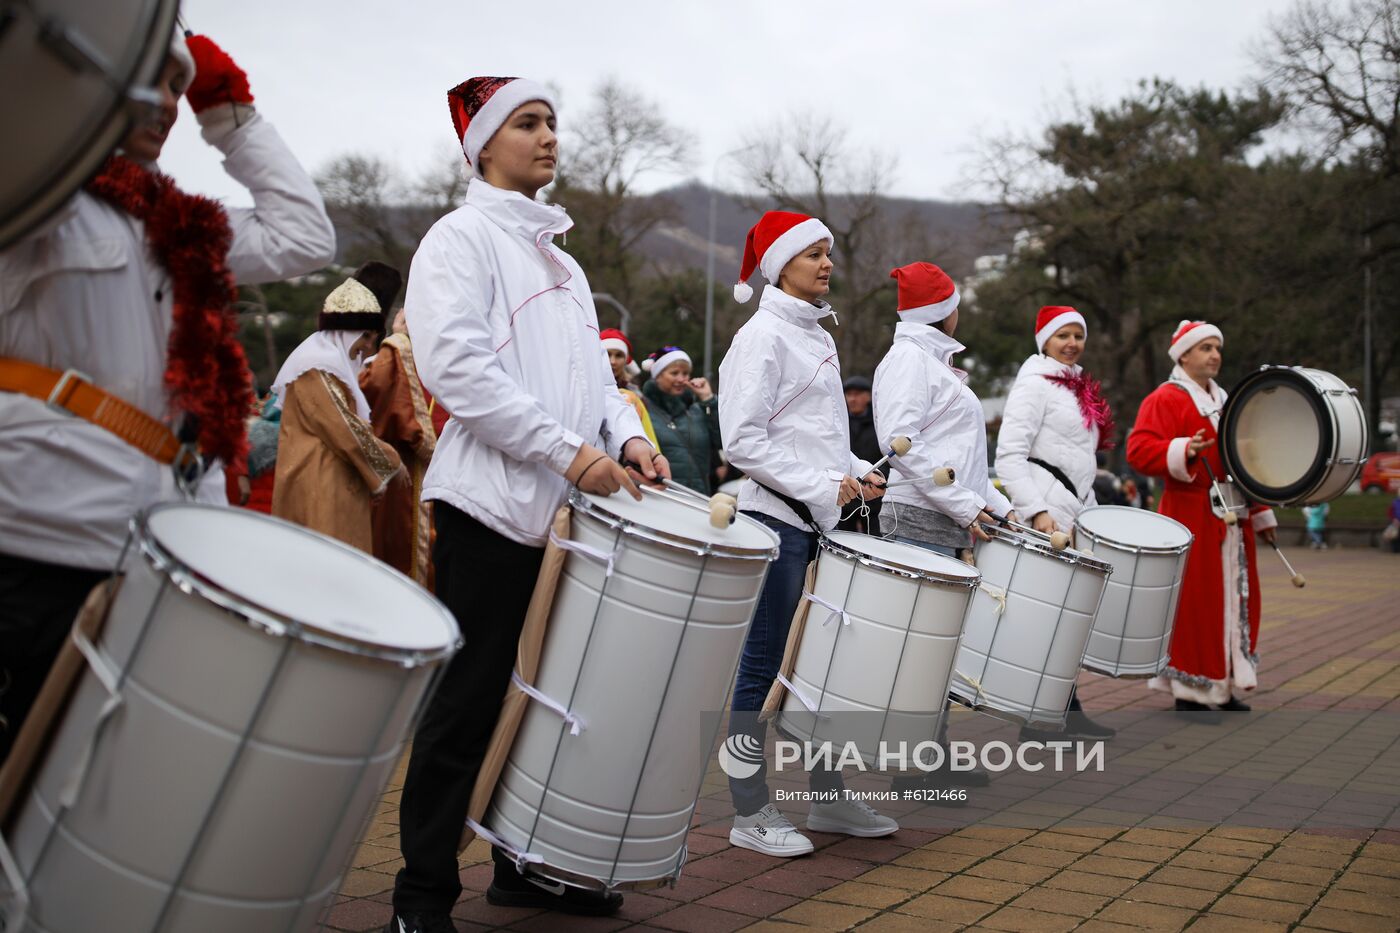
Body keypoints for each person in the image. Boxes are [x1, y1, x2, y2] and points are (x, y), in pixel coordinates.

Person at [0, 32, 335, 765]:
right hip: (39, 539)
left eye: (178, 88)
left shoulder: (187, 227)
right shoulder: (32, 198)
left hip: (156, 543)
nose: (164, 104)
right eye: (140, 79)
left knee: (105, 786)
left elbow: (303, 237)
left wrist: (233, 115)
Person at [386, 75, 666, 932]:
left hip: (570, 515)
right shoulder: (458, 239)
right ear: (483, 146)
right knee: (468, 700)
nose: (548, 137)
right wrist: (568, 452)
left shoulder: (566, 261)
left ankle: (528, 863)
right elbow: (457, 371)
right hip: (490, 507)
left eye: (552, 122)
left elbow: (596, 379)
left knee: (552, 697)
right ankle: (422, 894)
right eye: (528, 123)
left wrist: (626, 435)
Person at [720, 209, 895, 858]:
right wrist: (826, 487)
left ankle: (827, 794)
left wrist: (855, 472)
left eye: (828, 252)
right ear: (780, 265)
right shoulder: (762, 336)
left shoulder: (816, 334)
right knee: (761, 668)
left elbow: (818, 439)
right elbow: (741, 439)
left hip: (812, 525)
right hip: (773, 521)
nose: (827, 263)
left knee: (819, 668)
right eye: (812, 253)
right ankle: (747, 808)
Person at [873, 261, 1013, 796]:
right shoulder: (909, 360)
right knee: (919, 651)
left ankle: (928, 758)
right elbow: (900, 444)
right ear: (945, 310)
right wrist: (964, 505)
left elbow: (958, 460)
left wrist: (996, 507)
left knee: (935, 651)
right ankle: (913, 768)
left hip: (939, 518)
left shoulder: (928, 360)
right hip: (918, 518)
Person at [1127, 320, 1277, 723]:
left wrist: (1262, 513)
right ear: (1184, 355)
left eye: (1217, 347)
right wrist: (1182, 450)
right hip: (1191, 517)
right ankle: (1191, 693)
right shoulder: (1165, 398)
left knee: (1235, 603)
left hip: (1233, 521)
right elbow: (1139, 450)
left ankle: (1223, 685)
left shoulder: (1227, 400)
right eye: (1206, 347)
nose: (1214, 355)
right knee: (1196, 606)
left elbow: (1245, 464)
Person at [994, 306, 1117, 741]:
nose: (1071, 343)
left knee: (1068, 619)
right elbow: (1008, 457)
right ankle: (1039, 720)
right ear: (1044, 339)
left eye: (1077, 336)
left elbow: (1081, 461)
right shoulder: (1034, 386)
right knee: (1046, 618)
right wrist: (1036, 510)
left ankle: (1066, 709)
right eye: (1062, 335)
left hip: (1075, 514)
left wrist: (1092, 511)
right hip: (1046, 518)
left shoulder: (1074, 386)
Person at [271, 268, 404, 552]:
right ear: (347, 331)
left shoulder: (327, 366)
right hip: (318, 489)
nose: (368, 347)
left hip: (331, 486)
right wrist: (391, 461)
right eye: (366, 336)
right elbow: (346, 430)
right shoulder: (316, 368)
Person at [360, 307, 438, 586]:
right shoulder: (394, 359)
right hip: (403, 480)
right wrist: (398, 342)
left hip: (428, 483)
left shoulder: (414, 359)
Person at [640, 345, 721, 494]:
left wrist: (708, 400)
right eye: (674, 373)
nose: (681, 379)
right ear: (657, 375)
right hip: (660, 498)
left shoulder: (697, 410)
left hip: (698, 498)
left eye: (685, 373)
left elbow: (721, 441)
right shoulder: (642, 409)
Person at [838, 375, 883, 534]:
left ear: (868, 396)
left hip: (873, 500)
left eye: (857, 394)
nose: (852, 399)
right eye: (848, 394)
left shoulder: (880, 424)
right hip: (844, 497)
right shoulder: (838, 423)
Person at [600, 328, 658, 448]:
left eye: (619, 355)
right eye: (607, 354)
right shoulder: (587, 391)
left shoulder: (636, 395)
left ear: (626, 360)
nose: (612, 361)